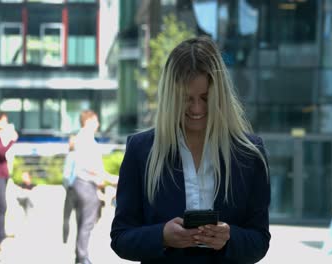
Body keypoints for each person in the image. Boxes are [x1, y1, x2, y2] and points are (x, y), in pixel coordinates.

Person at [110, 36, 271, 263]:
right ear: (170, 97)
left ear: (220, 95)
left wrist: (229, 238)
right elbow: (120, 237)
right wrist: (161, 236)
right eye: (186, 99)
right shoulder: (141, 150)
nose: (197, 108)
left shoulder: (249, 154)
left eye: (206, 98)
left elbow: (259, 241)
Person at [70, 110, 107, 264]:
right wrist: (109, 178)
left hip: (80, 184)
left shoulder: (80, 137)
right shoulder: (86, 138)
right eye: (96, 121)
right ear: (89, 121)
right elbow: (90, 166)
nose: (98, 124)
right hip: (86, 185)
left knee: (82, 223)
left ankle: (80, 256)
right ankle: (82, 258)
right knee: (87, 223)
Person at [0, 111, 18, 252]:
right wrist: (12, 140)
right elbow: (1, 152)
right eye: (4, 121)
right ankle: (0, 237)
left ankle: (1, 235)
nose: (5, 124)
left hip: (3, 175)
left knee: (1, 207)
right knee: (1, 207)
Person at [62, 135, 77, 244]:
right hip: (83, 188)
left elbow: (66, 176)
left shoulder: (71, 155)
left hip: (72, 189)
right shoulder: (84, 155)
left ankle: (65, 240)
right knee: (80, 218)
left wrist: (67, 187)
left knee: (66, 216)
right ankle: (79, 243)